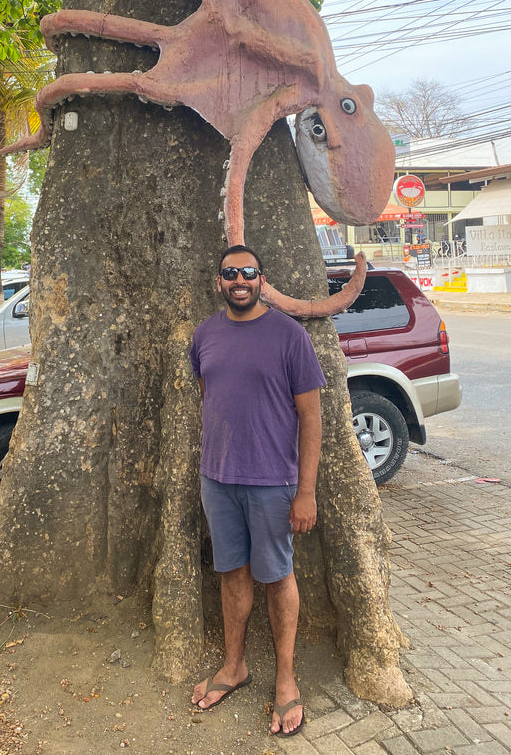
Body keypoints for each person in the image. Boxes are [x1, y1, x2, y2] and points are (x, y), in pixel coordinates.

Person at [189, 244, 325, 738]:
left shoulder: (290, 336)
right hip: (218, 480)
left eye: (248, 272)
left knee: (278, 577)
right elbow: (213, 397)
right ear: (219, 281)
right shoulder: (204, 335)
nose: (239, 280)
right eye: (230, 273)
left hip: (274, 484)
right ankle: (234, 667)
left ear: (261, 279)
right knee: (231, 575)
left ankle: (285, 679)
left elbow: (311, 418)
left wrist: (305, 492)